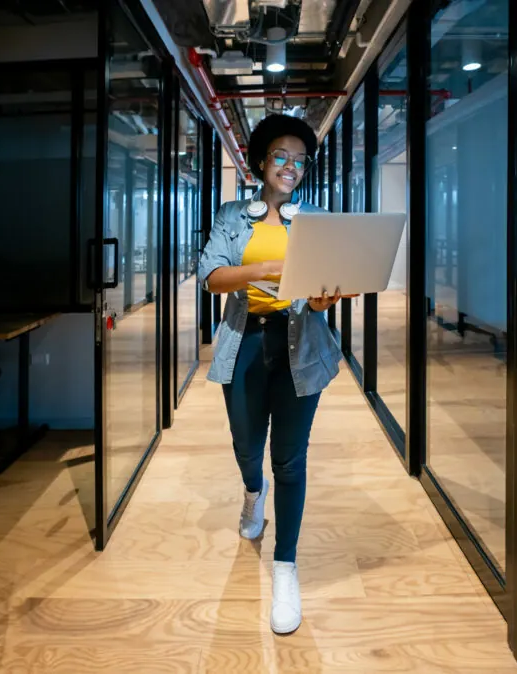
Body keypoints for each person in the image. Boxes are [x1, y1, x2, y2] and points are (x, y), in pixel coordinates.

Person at [197, 114, 348, 635]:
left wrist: (327, 297)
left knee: (290, 459)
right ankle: (250, 493)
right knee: (246, 445)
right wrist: (264, 269)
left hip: (300, 343)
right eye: (281, 156)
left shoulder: (317, 218)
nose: (291, 166)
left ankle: (286, 566)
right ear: (262, 162)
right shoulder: (233, 214)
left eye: (300, 159)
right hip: (246, 342)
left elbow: (326, 288)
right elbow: (212, 277)